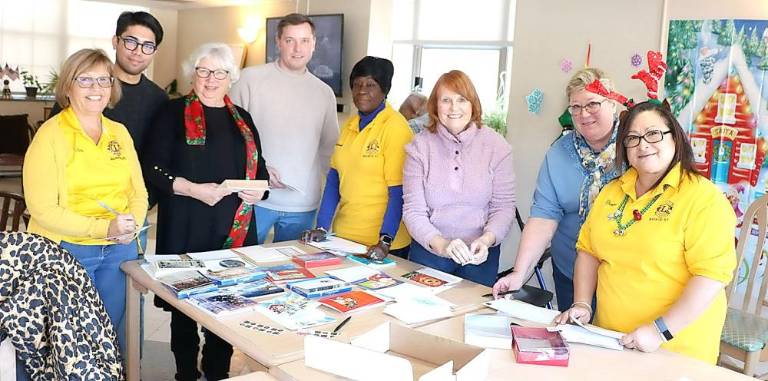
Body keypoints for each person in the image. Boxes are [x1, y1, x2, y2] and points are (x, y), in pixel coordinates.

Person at [555, 101, 736, 364]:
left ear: (675, 138)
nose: (643, 144)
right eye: (632, 138)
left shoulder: (703, 198)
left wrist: (660, 331)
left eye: (653, 134)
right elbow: (588, 251)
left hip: (675, 350)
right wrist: (582, 304)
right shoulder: (612, 192)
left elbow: (710, 278)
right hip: (611, 341)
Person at [143, 43, 269, 381]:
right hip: (184, 224)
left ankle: (217, 373)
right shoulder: (172, 113)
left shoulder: (243, 119)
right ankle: (185, 373)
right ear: (193, 74)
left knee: (225, 308)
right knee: (182, 310)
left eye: (219, 72)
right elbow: (152, 167)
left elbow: (260, 174)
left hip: (233, 229)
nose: (210, 79)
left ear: (231, 77)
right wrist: (194, 189)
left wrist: (257, 192)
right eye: (203, 70)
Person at [23, 48, 147, 358]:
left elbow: (138, 192)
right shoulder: (49, 136)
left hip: (119, 249)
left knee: (113, 331)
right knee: (70, 340)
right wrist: (103, 227)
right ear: (68, 86)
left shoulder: (119, 132)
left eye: (103, 80)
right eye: (86, 80)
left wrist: (129, 228)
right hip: (68, 250)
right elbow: (42, 208)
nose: (96, 88)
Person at [493, 68, 621, 310]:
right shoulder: (559, 153)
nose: (584, 114)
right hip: (570, 273)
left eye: (593, 104)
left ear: (612, 103)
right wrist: (520, 273)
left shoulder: (635, 147)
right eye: (575, 107)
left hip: (625, 280)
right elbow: (543, 216)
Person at [50, 11, 168, 248]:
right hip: (78, 213)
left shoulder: (159, 99)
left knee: (124, 281)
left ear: (154, 52)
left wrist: (143, 206)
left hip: (129, 214)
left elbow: (157, 157)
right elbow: (52, 145)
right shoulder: (86, 88)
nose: (137, 52)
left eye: (147, 46)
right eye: (131, 41)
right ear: (115, 41)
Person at [230, 13, 339, 244]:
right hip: (254, 199)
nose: (297, 48)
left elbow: (330, 150)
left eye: (305, 40)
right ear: (278, 42)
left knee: (291, 271)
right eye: (290, 40)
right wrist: (262, 168)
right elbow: (230, 136)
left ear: (314, 44)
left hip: (302, 205)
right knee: (242, 267)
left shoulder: (323, 92)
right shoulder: (249, 79)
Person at [402, 70, 515, 286]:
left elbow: (504, 207)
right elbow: (413, 211)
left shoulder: (497, 146)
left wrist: (487, 239)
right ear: (435, 106)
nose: (454, 108)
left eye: (461, 100)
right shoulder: (419, 147)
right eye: (446, 100)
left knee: (474, 316)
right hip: (430, 252)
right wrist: (442, 245)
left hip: (480, 255)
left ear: (473, 104)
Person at [301, 56, 413, 259]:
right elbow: (334, 180)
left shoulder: (396, 128)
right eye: (357, 84)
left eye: (371, 84)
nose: (362, 90)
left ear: (384, 89)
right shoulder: (350, 125)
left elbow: (398, 193)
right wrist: (322, 227)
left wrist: (385, 240)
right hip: (344, 239)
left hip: (382, 246)